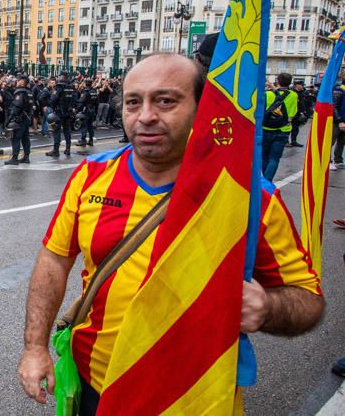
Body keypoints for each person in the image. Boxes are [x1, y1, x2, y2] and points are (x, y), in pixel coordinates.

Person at [18, 54, 323, 413]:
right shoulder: (90, 178)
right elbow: (54, 261)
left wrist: (268, 307)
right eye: (134, 102)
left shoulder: (249, 197)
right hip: (96, 386)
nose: (146, 116)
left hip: (193, 397)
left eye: (165, 100)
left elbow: (309, 300)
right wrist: (35, 346)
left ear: (202, 108)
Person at [262, 72, 298, 182]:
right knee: (274, 158)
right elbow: (294, 112)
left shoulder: (267, 94)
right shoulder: (293, 95)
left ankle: (263, 180)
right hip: (283, 130)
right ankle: (267, 182)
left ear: (278, 81)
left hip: (266, 128)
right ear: (290, 82)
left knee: (264, 157)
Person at [5, 75, 34, 165]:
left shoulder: (20, 92)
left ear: (21, 82)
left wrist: (9, 119)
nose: (17, 82)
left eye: (18, 80)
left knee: (15, 138)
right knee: (25, 138)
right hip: (27, 118)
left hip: (19, 119)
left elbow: (17, 107)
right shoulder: (29, 92)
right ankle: (26, 157)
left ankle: (14, 158)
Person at [46, 72, 77, 157]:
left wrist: (50, 104)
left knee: (56, 131)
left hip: (59, 112)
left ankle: (56, 150)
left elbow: (53, 99)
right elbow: (74, 99)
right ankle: (68, 149)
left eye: (60, 76)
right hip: (68, 112)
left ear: (62, 76)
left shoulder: (59, 86)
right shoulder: (70, 87)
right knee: (67, 131)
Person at [288, 81, 311, 148]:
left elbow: (303, 103)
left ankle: (293, 141)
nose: (302, 86)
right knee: (289, 128)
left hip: (299, 113)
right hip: (292, 113)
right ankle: (286, 141)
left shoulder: (302, 93)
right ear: (297, 85)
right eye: (301, 85)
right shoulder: (292, 92)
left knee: (295, 128)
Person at [77, 79, 98, 147]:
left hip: (86, 111)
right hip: (92, 110)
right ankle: (91, 140)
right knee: (90, 126)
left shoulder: (86, 92)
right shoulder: (94, 91)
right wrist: (95, 112)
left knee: (84, 126)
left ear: (85, 84)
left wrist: (77, 110)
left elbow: (81, 102)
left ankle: (83, 140)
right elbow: (97, 102)